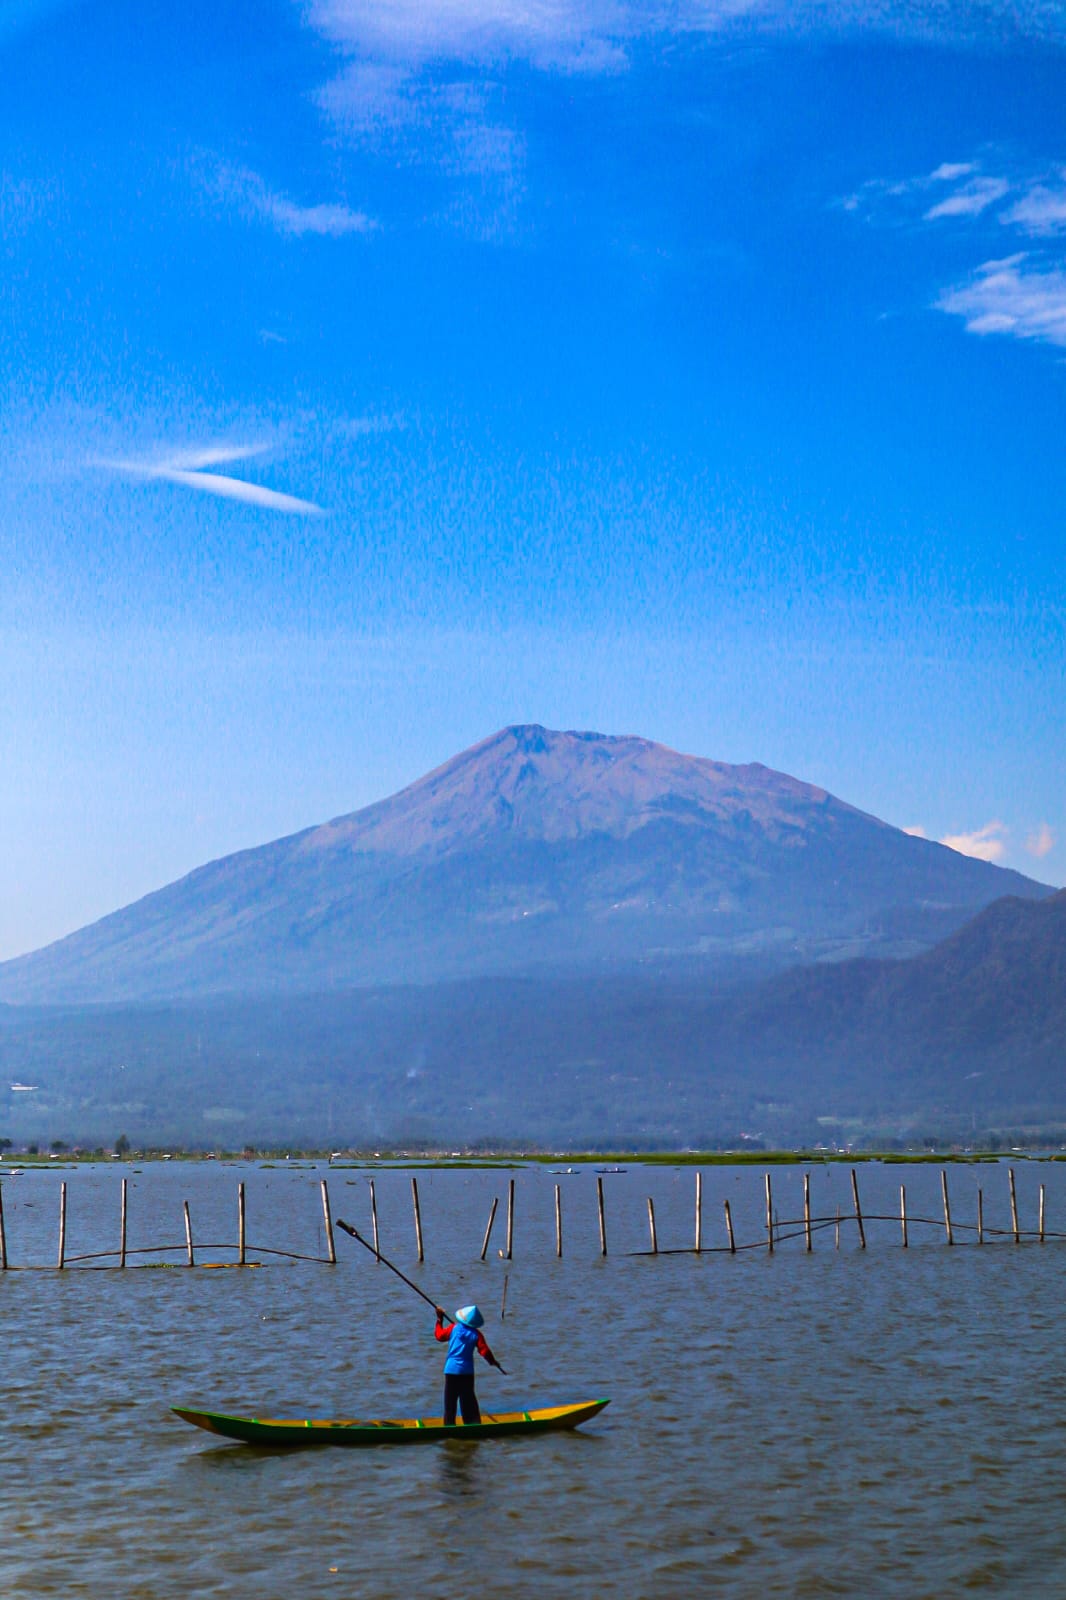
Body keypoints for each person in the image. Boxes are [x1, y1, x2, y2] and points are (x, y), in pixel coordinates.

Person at [434, 1303, 500, 1425]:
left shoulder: (453, 1328)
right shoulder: (476, 1334)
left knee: (450, 1402)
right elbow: (484, 1351)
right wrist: (493, 1362)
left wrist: (439, 1319)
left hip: (451, 1370)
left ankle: (449, 1426)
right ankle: (472, 1425)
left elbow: (439, 1336)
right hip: (466, 1372)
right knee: (468, 1401)